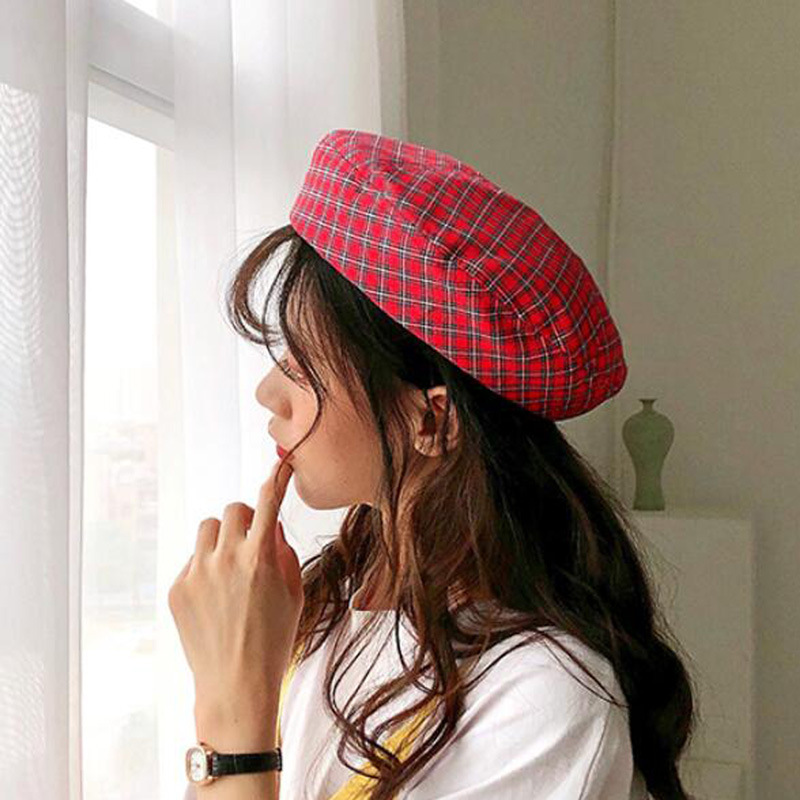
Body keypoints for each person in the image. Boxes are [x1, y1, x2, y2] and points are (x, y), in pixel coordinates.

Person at [183, 129, 697, 799]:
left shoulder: (543, 699)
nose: (267, 393)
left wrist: (232, 709)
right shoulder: (325, 607)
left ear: (432, 420)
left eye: (305, 366)